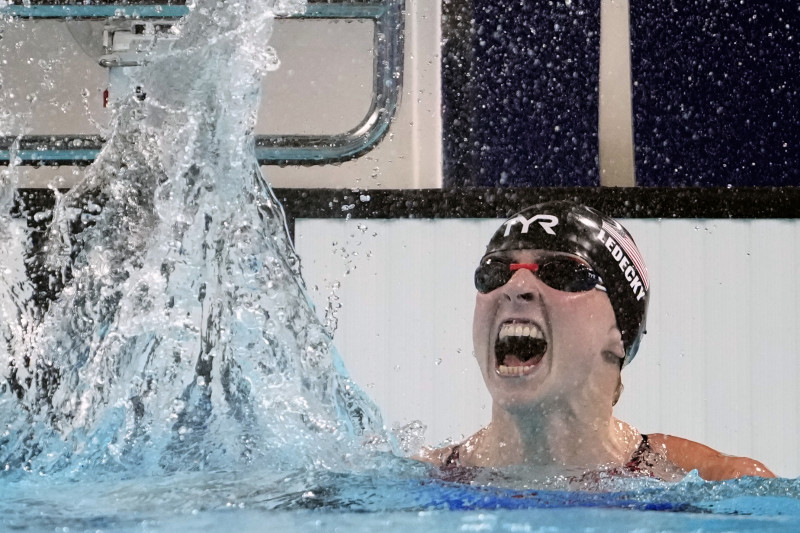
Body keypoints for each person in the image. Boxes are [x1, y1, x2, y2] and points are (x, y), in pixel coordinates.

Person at [418, 201, 774, 481]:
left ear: (620, 333)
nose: (516, 287)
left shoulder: (713, 484)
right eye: (495, 272)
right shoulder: (421, 480)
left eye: (562, 272)